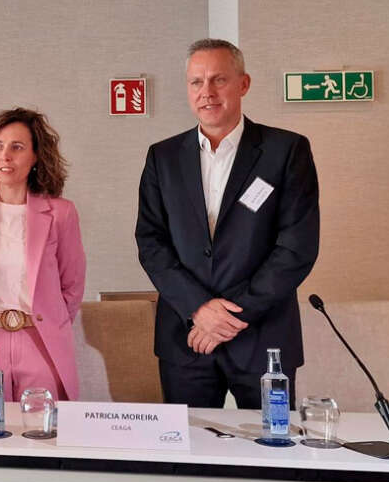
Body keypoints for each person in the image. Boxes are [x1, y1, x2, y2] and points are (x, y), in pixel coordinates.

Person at [135, 39, 320, 409]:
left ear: (243, 84)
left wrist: (232, 316)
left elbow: (296, 247)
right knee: (189, 456)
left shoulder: (286, 151)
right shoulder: (163, 157)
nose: (207, 93)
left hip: (263, 335)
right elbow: (151, 242)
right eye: (196, 82)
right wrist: (200, 309)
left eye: (219, 80)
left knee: (274, 450)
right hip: (188, 337)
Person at [0, 108, 86, 402]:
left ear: (35, 157)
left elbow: (72, 285)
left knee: (42, 436)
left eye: (17, 147)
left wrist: (50, 321)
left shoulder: (61, 213)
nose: (5, 156)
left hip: (40, 341)